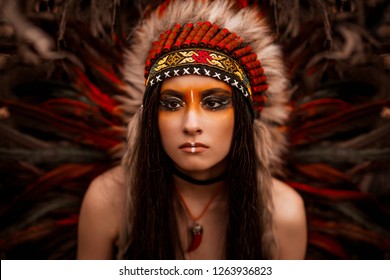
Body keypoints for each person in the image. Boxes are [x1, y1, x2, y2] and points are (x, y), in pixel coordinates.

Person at [77, 0, 307, 260]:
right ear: (151, 116)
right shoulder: (108, 201)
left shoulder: (282, 213)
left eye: (214, 103)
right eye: (172, 104)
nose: (191, 125)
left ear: (243, 117)